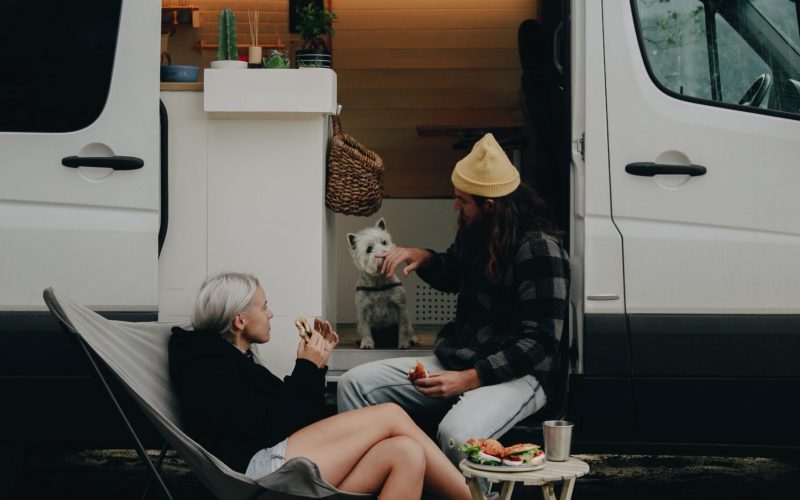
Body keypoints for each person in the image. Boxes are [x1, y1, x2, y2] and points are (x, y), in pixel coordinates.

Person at [337, 133, 570, 467]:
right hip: (464, 358)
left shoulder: (539, 250)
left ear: (491, 206)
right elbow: (454, 274)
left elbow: (541, 343)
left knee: (457, 435)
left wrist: (471, 378)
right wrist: (424, 258)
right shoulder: (477, 231)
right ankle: (383, 476)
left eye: (462, 200)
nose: (455, 205)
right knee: (353, 383)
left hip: (521, 375)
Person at [169, 272, 476, 500]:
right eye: (264, 307)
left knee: (406, 453)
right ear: (239, 321)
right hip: (260, 473)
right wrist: (306, 367)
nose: (271, 313)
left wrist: (316, 365)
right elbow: (272, 426)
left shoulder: (232, 358)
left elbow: (295, 414)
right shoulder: (207, 369)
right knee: (390, 415)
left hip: (277, 455)